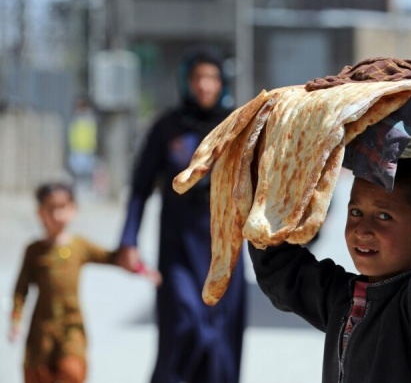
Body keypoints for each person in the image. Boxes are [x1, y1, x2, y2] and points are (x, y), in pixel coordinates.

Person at [249, 99, 411, 382]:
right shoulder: (343, 300)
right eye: (356, 212)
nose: (362, 230)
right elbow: (280, 269)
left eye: (384, 216)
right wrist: (271, 167)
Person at [115, 48, 246, 383]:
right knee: (183, 326)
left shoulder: (238, 126)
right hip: (178, 250)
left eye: (212, 78)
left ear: (222, 83)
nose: (205, 86)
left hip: (224, 251)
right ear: (186, 83)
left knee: (220, 341)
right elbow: (140, 189)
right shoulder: (166, 128)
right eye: (198, 78)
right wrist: (128, 241)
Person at [9, 182, 160, 383]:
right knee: (39, 373)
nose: (57, 215)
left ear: (73, 210)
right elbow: (21, 289)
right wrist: (16, 320)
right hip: (41, 330)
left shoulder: (79, 246)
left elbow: (112, 258)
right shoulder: (34, 251)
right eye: (50, 209)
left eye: (62, 208)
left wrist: (140, 268)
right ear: (40, 213)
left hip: (72, 326)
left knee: (71, 371)